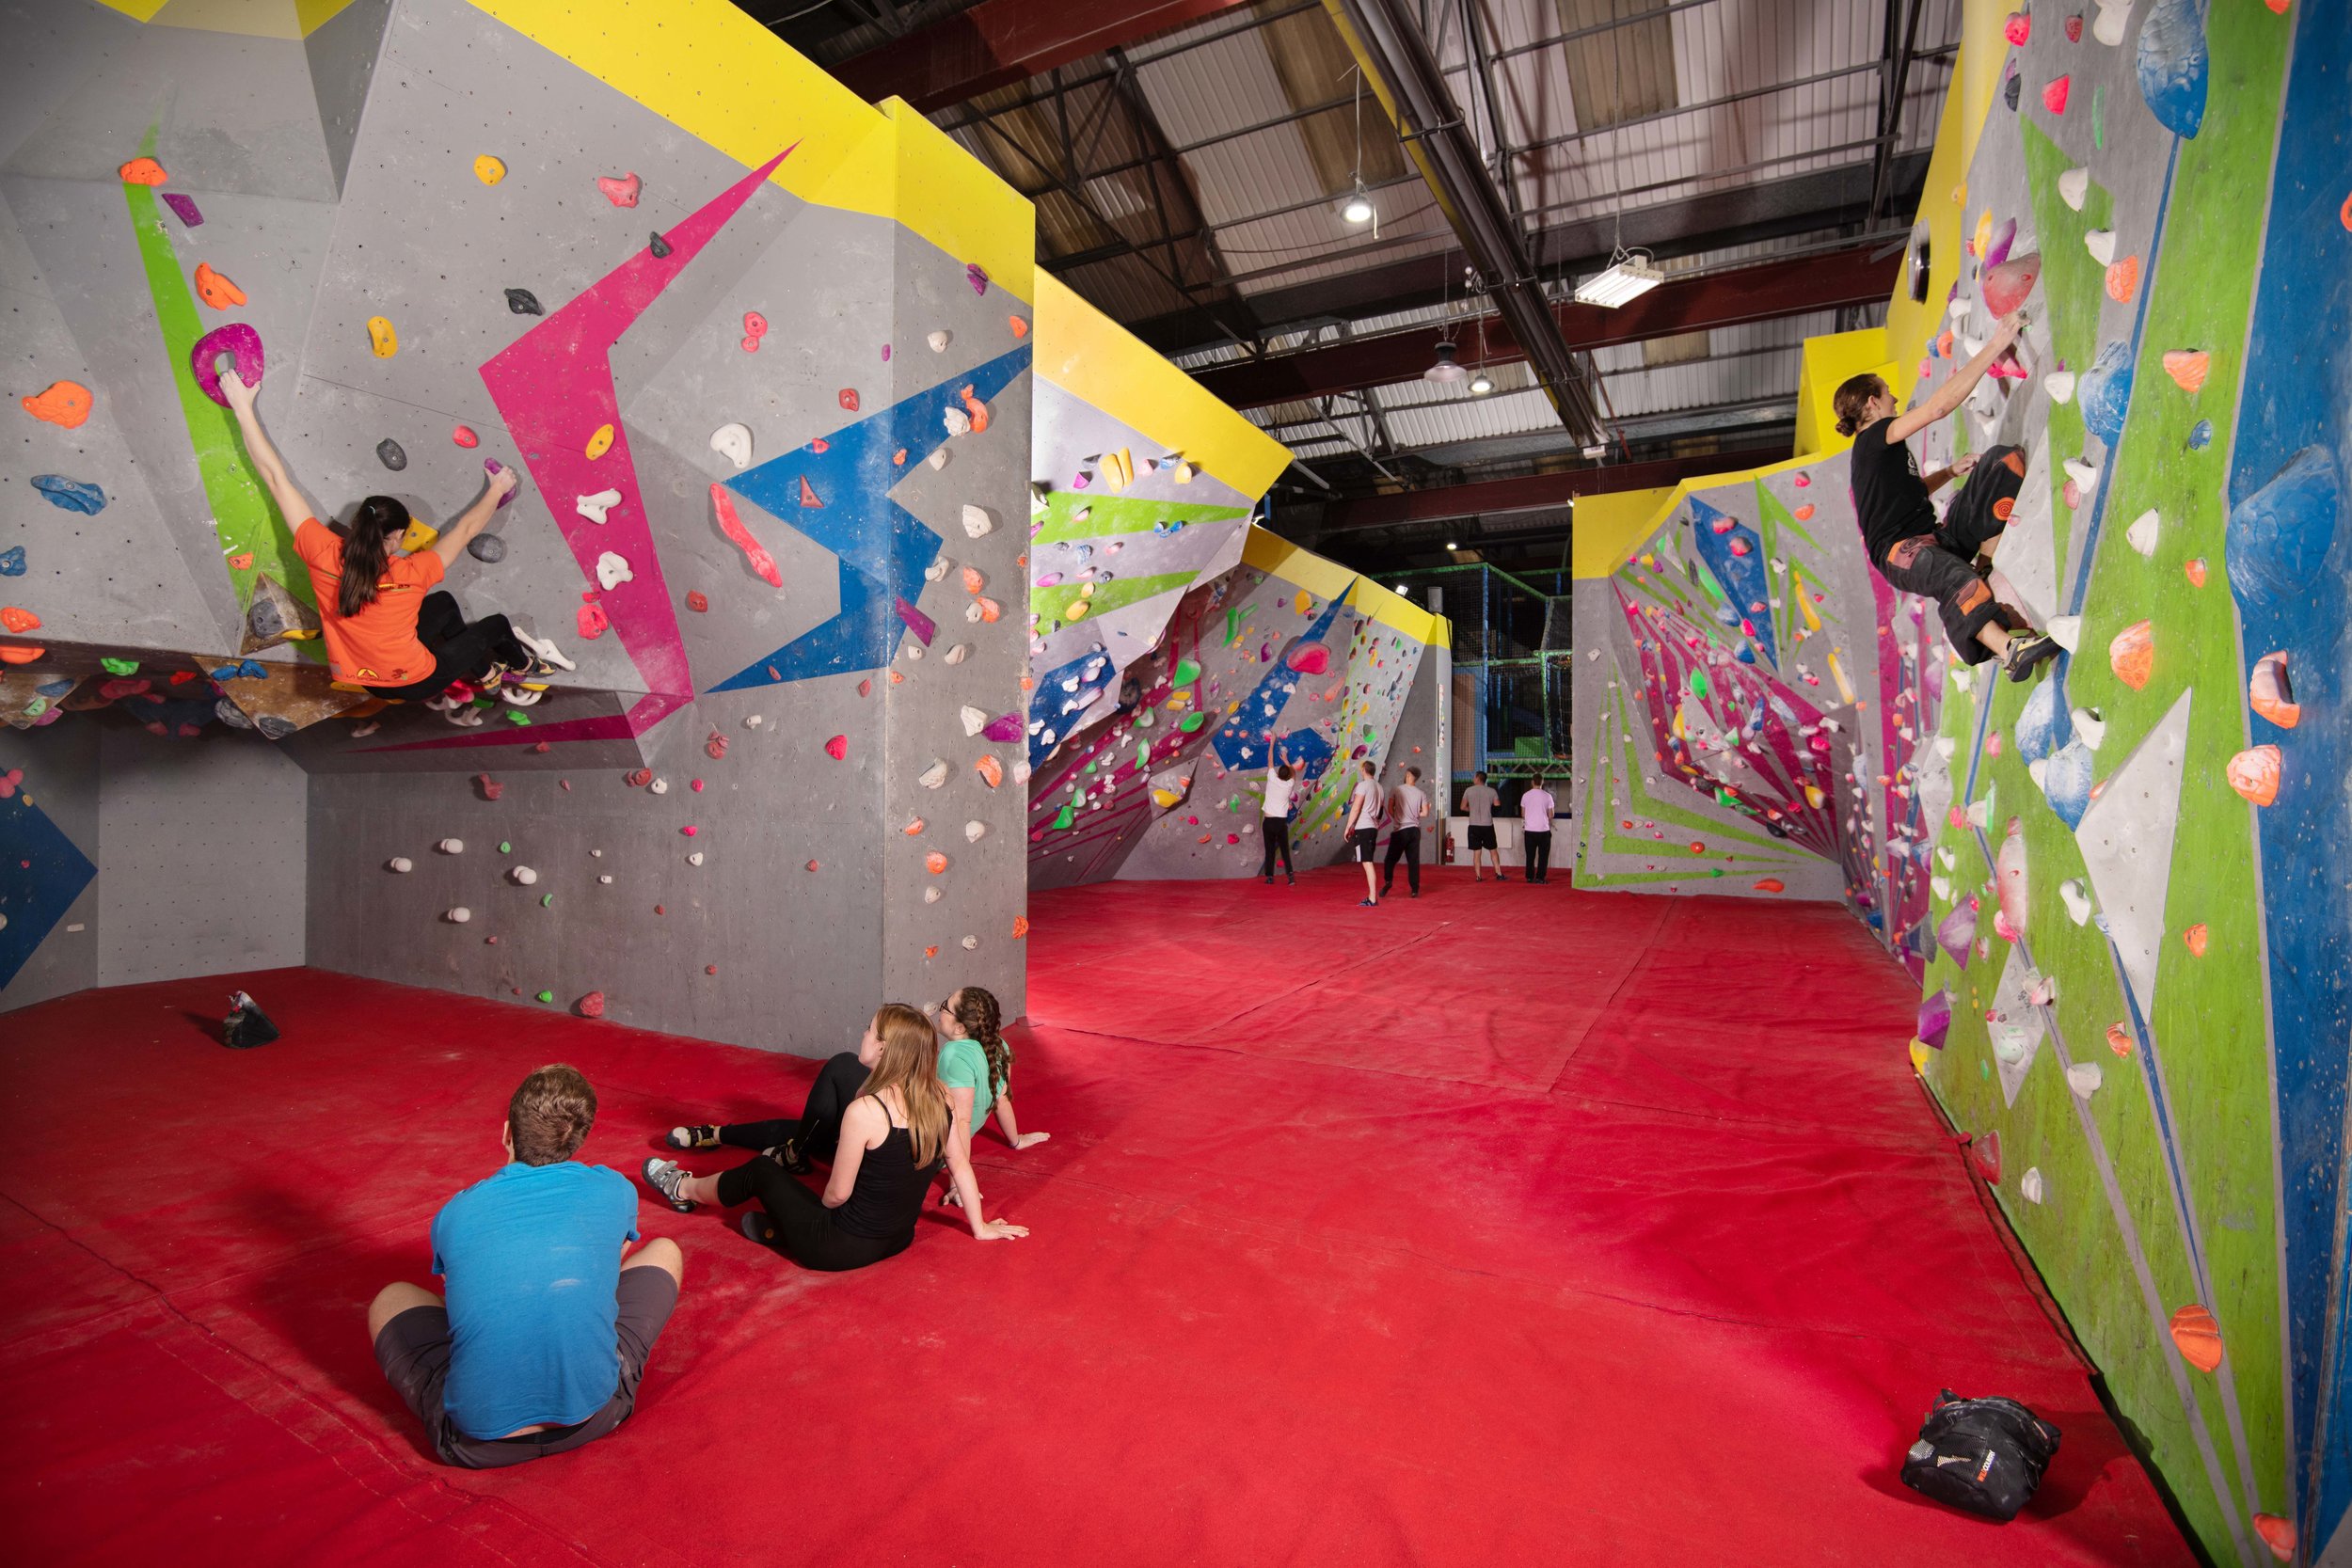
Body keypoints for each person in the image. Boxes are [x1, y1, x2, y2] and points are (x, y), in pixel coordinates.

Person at [366, 1065, 681, 1469]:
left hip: (475, 1445)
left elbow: (453, 1287)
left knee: (392, 1298)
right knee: (665, 1251)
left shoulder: (456, 1213)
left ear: (507, 1135)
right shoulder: (616, 1189)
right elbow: (614, 1256)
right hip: (597, 1417)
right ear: (578, 1140)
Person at [219, 368, 572, 705]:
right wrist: (498, 488)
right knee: (495, 626)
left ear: (358, 525)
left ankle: (485, 672)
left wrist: (242, 407)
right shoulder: (409, 574)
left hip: (364, 678)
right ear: (399, 535)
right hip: (417, 680)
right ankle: (525, 667)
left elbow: (275, 478)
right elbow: (465, 530)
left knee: (446, 604)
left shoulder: (321, 551)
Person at [641, 1004, 1026, 1268]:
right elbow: (959, 1164)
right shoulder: (939, 1097)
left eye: (868, 1029)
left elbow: (836, 1196)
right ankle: (780, 1229)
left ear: (882, 1047)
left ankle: (682, 1190)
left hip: (836, 1249)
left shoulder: (864, 1112)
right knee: (801, 1192)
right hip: (898, 1239)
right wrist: (981, 1227)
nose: (863, 1033)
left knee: (761, 1171)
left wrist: (816, 1205)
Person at [1835, 310, 2058, 682]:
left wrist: (1950, 472)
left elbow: (1910, 493)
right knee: (1952, 578)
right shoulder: (1874, 437)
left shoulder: (1879, 453)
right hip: (1900, 554)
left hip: (1936, 539)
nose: (1895, 397)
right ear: (1872, 404)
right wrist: (1995, 346)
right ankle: (2010, 651)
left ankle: (1982, 569)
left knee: (2004, 462)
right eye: (1887, 392)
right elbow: (1938, 408)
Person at [933, 986, 1046, 1212]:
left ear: (959, 1027)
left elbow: (960, 1123)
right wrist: (1016, 1140)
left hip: (932, 1151)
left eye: (945, 1005)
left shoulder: (954, 1055)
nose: (940, 1010)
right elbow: (1001, 1100)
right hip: (943, 1146)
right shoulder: (999, 1045)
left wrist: (957, 1184)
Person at [1380, 766, 1430, 899]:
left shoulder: (1397, 790)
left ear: (1408, 775)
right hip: (1415, 831)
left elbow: (1390, 809)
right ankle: (1414, 889)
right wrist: (1414, 815)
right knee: (1413, 861)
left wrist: (1399, 816)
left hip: (1401, 830)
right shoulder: (1421, 793)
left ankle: (1388, 881)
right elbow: (1425, 813)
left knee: (1390, 859)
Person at [1344, 759, 1385, 907]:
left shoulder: (1363, 786)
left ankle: (1372, 898)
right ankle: (1372, 896)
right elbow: (1380, 811)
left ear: (1363, 770)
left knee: (1367, 863)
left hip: (1364, 827)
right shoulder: (1379, 787)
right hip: (1373, 827)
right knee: (1368, 861)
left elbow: (1356, 808)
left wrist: (1349, 826)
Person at [1259, 744, 1298, 885]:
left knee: (1269, 850)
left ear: (1277, 774)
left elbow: (1269, 760)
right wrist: (1286, 759)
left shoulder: (1272, 779)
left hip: (1269, 822)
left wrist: (1272, 742)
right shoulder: (1289, 785)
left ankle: (1269, 877)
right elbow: (1293, 772)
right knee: (1284, 850)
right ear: (1287, 776)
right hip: (1281, 823)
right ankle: (1290, 876)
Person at [1461, 771, 1503, 883]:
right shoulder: (1491, 791)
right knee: (1493, 850)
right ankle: (1498, 873)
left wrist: (1472, 810)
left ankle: (1478, 876)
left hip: (1474, 825)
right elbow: (1498, 806)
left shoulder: (1468, 791)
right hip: (1487, 824)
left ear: (1477, 778)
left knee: (1477, 852)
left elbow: (1462, 807)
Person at [1520, 774, 1557, 884]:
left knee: (1530, 855)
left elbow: (1523, 814)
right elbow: (1551, 815)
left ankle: (1530, 877)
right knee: (1543, 856)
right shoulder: (1548, 796)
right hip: (1543, 830)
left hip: (1529, 830)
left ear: (1532, 782)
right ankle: (1540, 878)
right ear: (1542, 782)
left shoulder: (1525, 795)